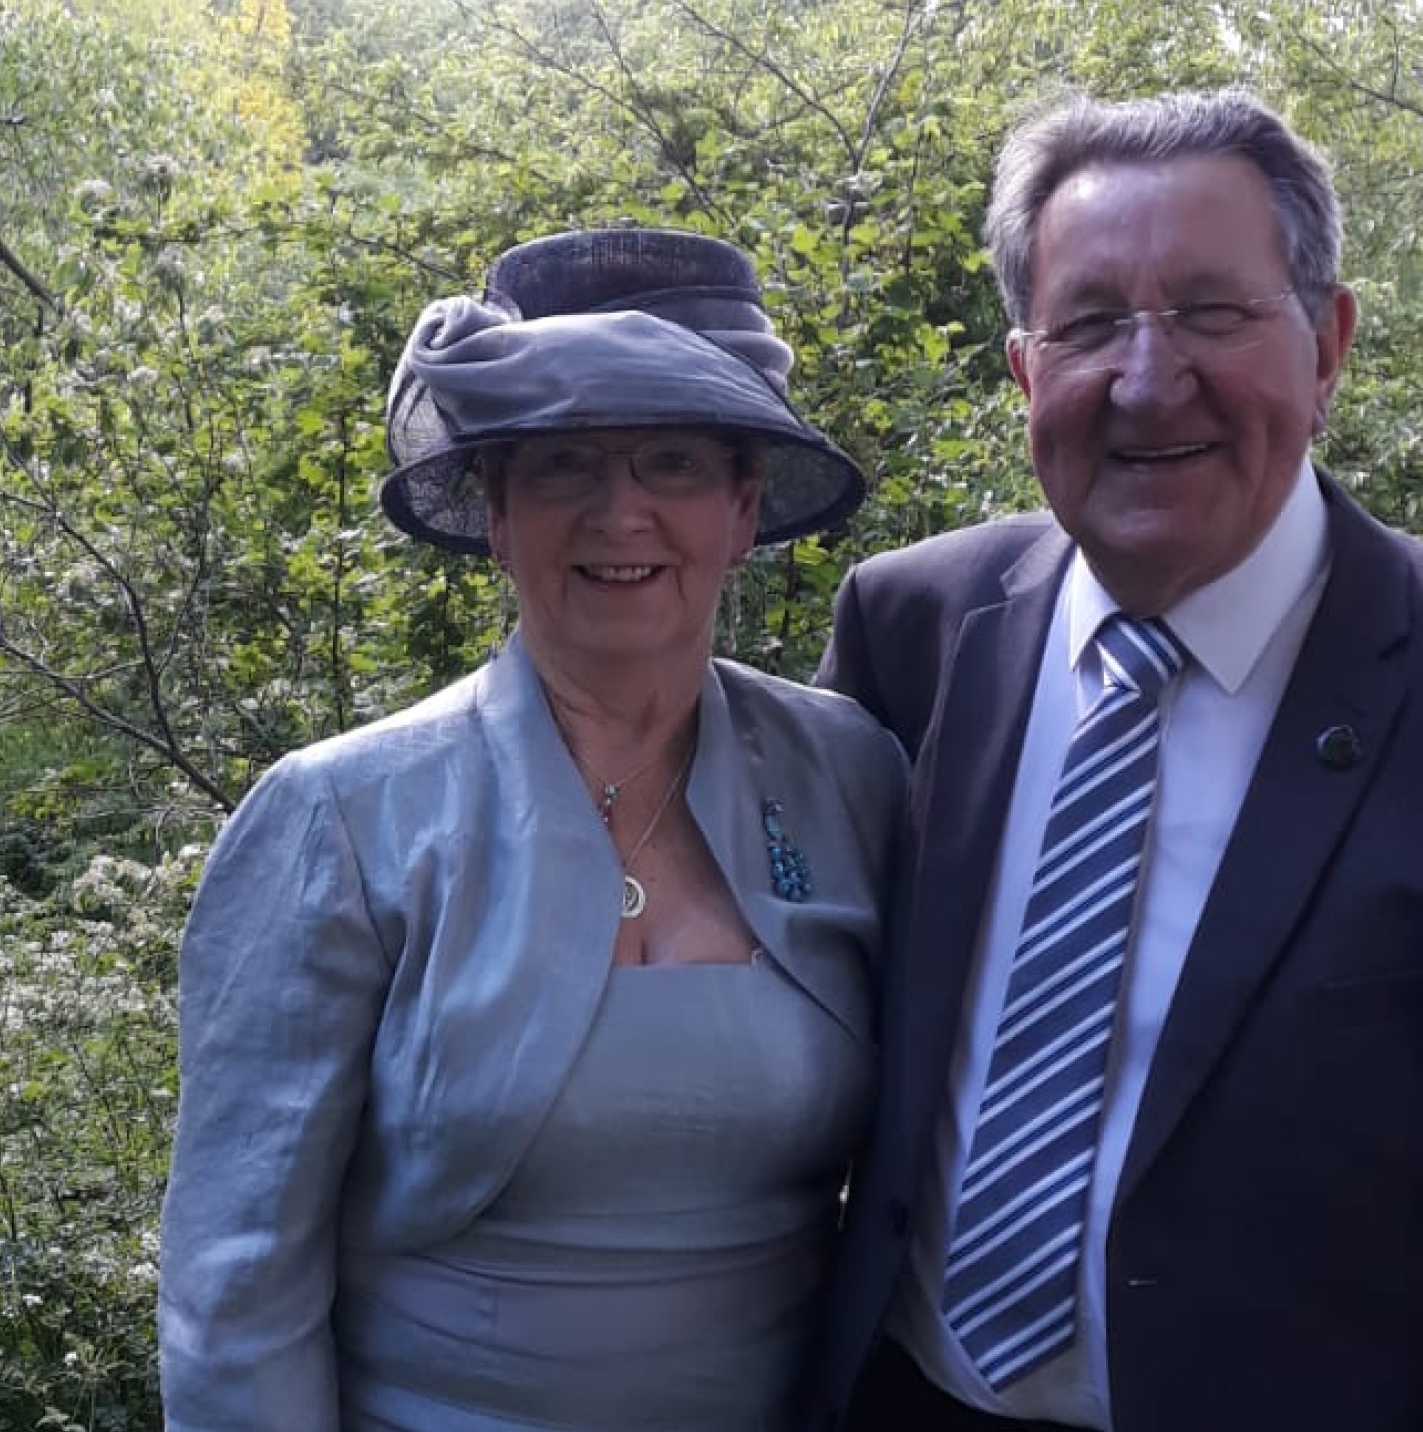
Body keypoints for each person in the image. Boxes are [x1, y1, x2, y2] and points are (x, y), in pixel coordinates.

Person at [809, 85, 1423, 1432]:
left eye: (1209, 311)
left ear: (1327, 344)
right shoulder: (913, 627)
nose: (1143, 375)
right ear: (1022, 372)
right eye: (1088, 322)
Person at [156, 227, 906, 1432]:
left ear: (742, 506)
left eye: (670, 461)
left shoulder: (854, 779)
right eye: (562, 465)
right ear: (496, 516)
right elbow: (234, 1293)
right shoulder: (339, 818)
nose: (621, 513)